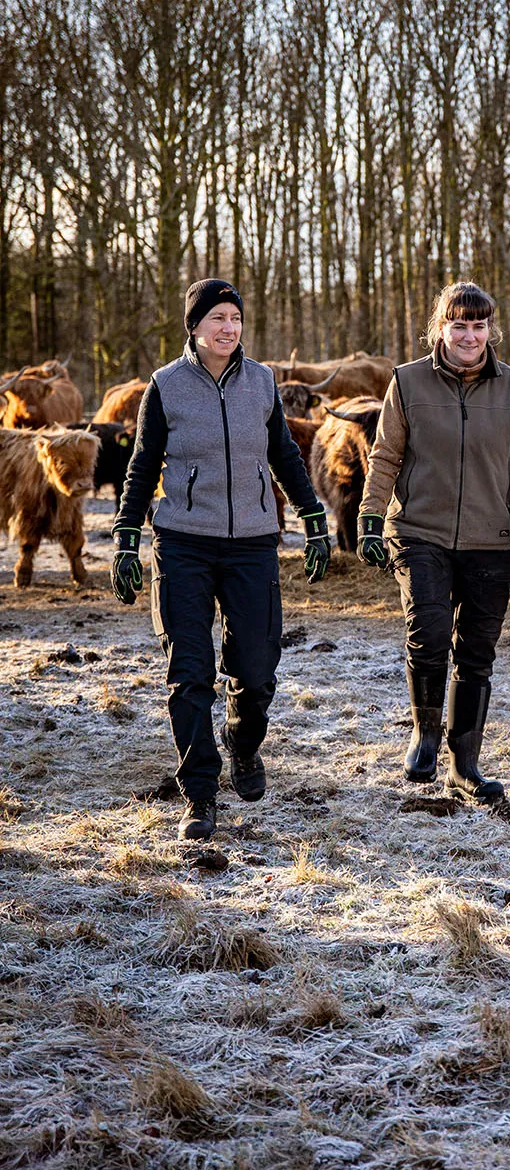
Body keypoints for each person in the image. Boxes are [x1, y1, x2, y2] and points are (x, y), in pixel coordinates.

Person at [110, 279, 331, 842]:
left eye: (235, 317)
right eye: (217, 319)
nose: (228, 328)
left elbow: (283, 451)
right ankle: (200, 795)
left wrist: (313, 516)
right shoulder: (164, 386)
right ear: (194, 325)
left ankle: (243, 741)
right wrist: (125, 535)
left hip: (254, 541)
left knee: (256, 673)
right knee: (189, 674)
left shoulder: (261, 381)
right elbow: (141, 466)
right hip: (183, 541)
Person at [356, 281, 510, 803]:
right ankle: (425, 733)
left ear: (491, 330)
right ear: (440, 328)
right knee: (426, 633)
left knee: (476, 653)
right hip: (419, 531)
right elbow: (385, 457)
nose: (469, 335)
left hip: (491, 538)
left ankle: (464, 764)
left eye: (478, 325)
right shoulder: (406, 383)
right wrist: (369, 517)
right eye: (458, 324)